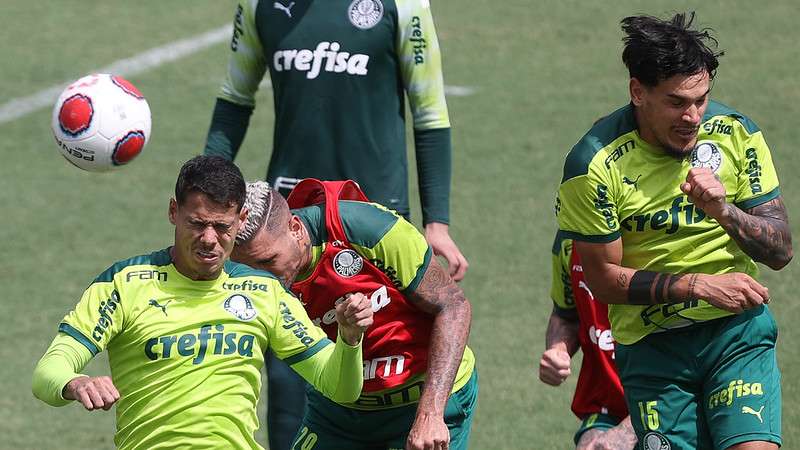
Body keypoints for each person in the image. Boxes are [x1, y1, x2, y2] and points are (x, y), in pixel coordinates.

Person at [204, 4, 467, 445]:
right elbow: (235, 98)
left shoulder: (402, 6)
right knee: (290, 361)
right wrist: (207, 203)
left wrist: (435, 220)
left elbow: (430, 110)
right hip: (281, 223)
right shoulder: (258, 7)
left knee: (384, 350)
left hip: (372, 213)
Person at [555, 11, 792, 449]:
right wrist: (698, 285)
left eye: (701, 99)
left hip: (736, 335)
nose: (693, 116)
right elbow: (603, 280)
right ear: (637, 92)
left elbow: (780, 250)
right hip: (653, 348)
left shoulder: (735, 134)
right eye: (677, 102)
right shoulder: (593, 166)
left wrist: (724, 211)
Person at [31, 156, 373, 450]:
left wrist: (349, 338)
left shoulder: (262, 291)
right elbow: (48, 372)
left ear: (241, 220)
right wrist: (77, 383)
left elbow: (340, 387)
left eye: (222, 227)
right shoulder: (124, 283)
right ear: (173, 212)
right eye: (197, 224)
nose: (209, 239)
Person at [232, 179, 477, 450]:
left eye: (268, 261)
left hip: (421, 401)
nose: (262, 278)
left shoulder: (369, 230)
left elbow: (453, 306)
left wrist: (430, 414)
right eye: (249, 267)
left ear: (295, 229)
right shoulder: (243, 276)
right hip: (338, 410)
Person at [538, 234, 636, 450]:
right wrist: (558, 349)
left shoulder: (660, 236)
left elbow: (690, 353)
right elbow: (566, 315)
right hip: (607, 405)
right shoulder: (569, 239)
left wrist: (631, 429)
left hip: (672, 403)